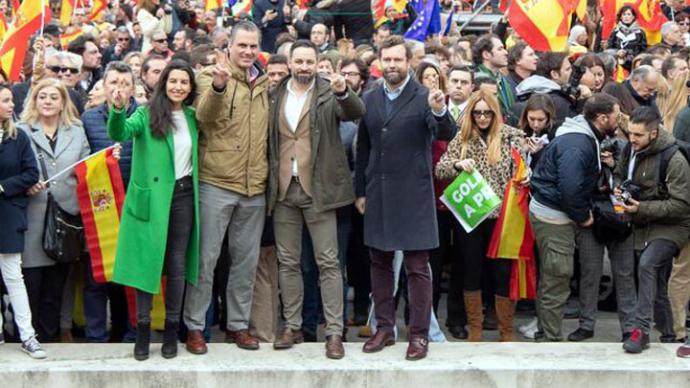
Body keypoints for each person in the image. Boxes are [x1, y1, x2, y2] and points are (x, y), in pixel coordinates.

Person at [355, 35, 456, 361]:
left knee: (417, 267)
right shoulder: (369, 98)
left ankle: (419, 335)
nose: (392, 65)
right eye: (387, 60)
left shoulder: (425, 96)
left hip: (413, 195)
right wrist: (360, 191)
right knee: (380, 264)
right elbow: (364, 147)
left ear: (408, 62)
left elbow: (445, 132)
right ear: (380, 63)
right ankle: (384, 329)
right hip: (379, 194)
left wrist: (440, 111)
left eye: (398, 60)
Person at [267, 39, 365, 359]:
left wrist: (342, 90)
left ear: (317, 62)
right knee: (289, 261)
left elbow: (355, 111)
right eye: (300, 62)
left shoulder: (328, 90)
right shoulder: (275, 93)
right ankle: (292, 325)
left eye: (310, 62)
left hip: (318, 189)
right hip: (283, 189)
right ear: (291, 62)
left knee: (328, 263)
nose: (305, 67)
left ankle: (334, 332)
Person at [183, 21, 268, 354]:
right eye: (242, 45)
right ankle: (195, 326)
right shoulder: (209, 76)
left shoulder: (263, 83)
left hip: (254, 186)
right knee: (206, 260)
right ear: (228, 47)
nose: (247, 51)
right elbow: (203, 117)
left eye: (253, 46)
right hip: (216, 182)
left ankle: (237, 325)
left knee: (245, 263)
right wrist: (219, 87)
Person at [107, 60, 200, 361]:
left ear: (190, 87)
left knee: (176, 266)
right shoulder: (146, 114)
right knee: (146, 263)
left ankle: (172, 330)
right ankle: (143, 331)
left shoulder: (192, 116)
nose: (178, 87)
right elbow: (119, 132)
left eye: (184, 82)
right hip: (151, 199)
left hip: (183, 196)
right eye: (173, 81)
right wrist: (118, 109)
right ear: (163, 83)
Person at [435, 90, 526, 342]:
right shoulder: (462, 137)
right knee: (470, 271)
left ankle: (506, 331)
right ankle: (475, 329)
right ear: (471, 114)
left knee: (501, 272)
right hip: (472, 215)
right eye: (478, 113)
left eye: (487, 113)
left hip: (502, 216)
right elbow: (440, 168)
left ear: (495, 113)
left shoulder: (510, 137)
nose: (483, 118)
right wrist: (457, 165)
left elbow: (523, 168)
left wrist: (524, 176)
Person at [529, 93, 621, 342]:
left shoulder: (584, 136)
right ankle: (549, 337)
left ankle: (545, 330)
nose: (619, 120)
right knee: (558, 275)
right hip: (554, 216)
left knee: (554, 274)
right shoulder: (579, 144)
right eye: (616, 115)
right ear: (602, 118)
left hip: (555, 212)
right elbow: (570, 188)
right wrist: (583, 217)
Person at [19, 78, 91, 343]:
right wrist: (24, 185)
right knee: (31, 285)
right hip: (32, 219)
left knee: (56, 287)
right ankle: (26, 337)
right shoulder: (20, 131)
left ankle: (49, 337)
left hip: (65, 219)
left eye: (53, 97)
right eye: (42, 97)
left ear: (63, 103)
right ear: (34, 101)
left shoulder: (77, 131)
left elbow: (85, 171)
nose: (47, 102)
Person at [618, 107, 690, 354]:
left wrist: (641, 207)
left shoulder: (674, 158)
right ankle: (669, 332)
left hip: (674, 225)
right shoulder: (630, 150)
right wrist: (620, 191)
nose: (632, 139)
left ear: (654, 133)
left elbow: (681, 205)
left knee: (648, 265)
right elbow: (620, 176)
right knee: (655, 278)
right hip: (643, 222)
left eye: (638, 135)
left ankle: (641, 331)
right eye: (630, 134)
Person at [81, 62, 139, 344]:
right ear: (103, 87)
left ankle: (130, 333)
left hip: (133, 205)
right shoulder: (89, 119)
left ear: (133, 88)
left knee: (130, 274)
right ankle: (95, 336)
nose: (119, 89)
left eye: (125, 83)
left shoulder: (144, 116)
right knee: (97, 275)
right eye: (113, 82)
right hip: (101, 206)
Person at [0, 84, 47, 359]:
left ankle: (28, 335)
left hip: (8, 215)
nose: (11, 104)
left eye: (9, 100)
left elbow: (32, 173)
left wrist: (3, 187)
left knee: (13, 277)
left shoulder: (18, 137)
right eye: (5, 100)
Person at [518, 93, 556, 170]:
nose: (536, 124)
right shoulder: (519, 131)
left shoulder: (555, 134)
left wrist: (539, 153)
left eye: (541, 120)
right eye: (531, 119)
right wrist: (521, 150)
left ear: (549, 118)